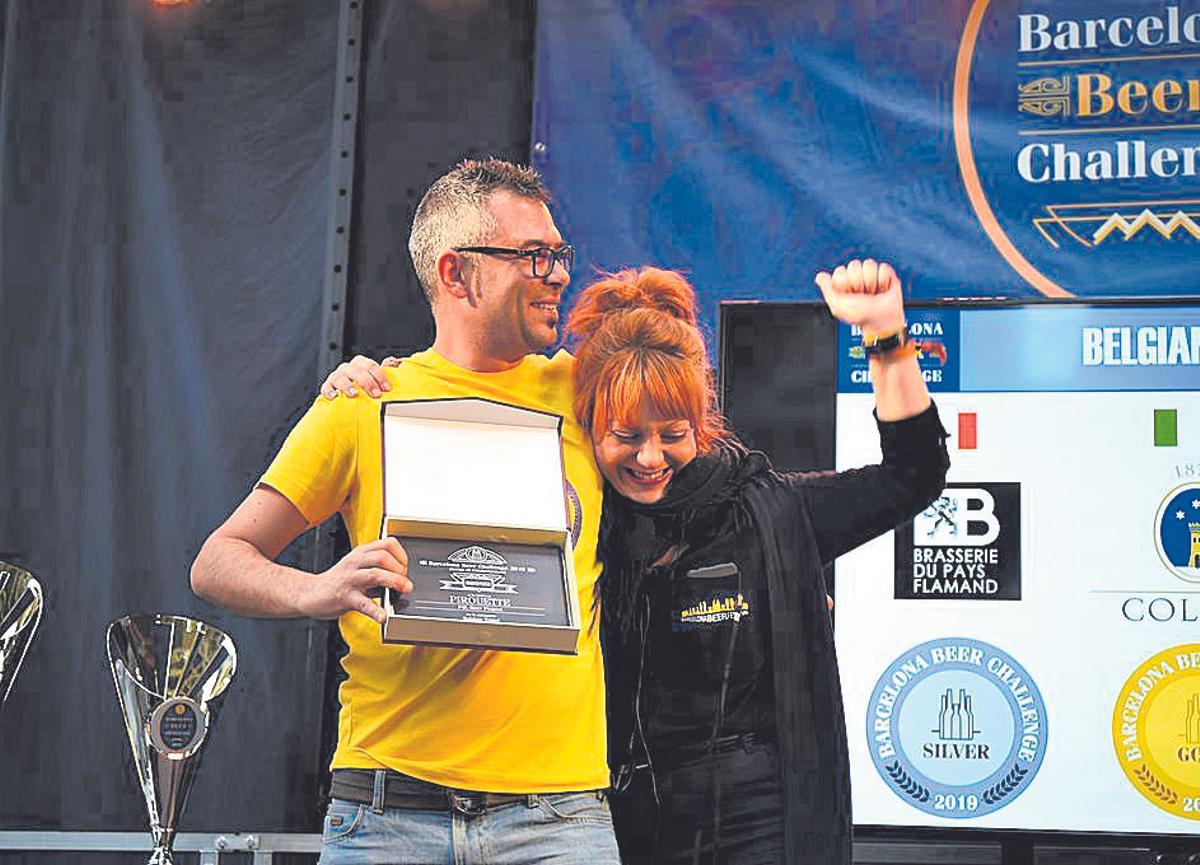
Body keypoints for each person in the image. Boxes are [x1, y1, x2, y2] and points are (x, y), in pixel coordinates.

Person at [326, 259, 949, 864]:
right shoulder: (575, 527)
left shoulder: (769, 512)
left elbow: (912, 475)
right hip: (622, 820)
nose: (650, 457)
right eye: (626, 436)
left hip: (763, 816)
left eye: (672, 433)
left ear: (701, 425)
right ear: (588, 425)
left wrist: (885, 336)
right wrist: (378, 382)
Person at [190, 158, 621, 865]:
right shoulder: (365, 401)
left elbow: (689, 460)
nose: (558, 275)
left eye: (559, 255)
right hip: (387, 812)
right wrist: (318, 590)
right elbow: (217, 561)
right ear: (456, 272)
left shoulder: (589, 391)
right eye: (534, 256)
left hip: (557, 817)